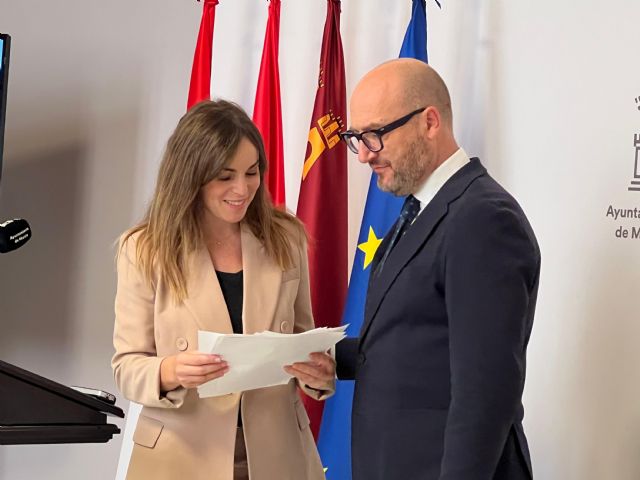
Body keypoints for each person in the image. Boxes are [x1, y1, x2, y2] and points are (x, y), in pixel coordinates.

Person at [287, 58, 541, 480]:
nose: (363, 155)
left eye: (376, 134)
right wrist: (334, 357)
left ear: (429, 122)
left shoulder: (483, 220)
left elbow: (485, 394)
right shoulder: (422, 209)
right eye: (356, 138)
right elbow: (424, 339)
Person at [112, 99, 335, 480]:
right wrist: (171, 370)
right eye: (225, 176)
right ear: (191, 175)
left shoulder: (286, 237)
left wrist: (319, 373)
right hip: (179, 458)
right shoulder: (145, 249)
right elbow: (127, 366)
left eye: (252, 172)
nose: (242, 189)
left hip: (279, 454)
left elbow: (304, 338)